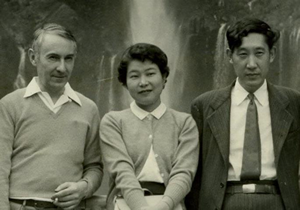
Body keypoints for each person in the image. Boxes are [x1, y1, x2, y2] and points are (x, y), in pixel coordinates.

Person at [185, 18, 300, 210]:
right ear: (230, 56)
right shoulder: (204, 106)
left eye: (259, 53)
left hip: (279, 201)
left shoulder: (294, 102)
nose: (252, 64)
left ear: (271, 54)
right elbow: (195, 173)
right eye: (243, 54)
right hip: (223, 201)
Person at [0, 23, 103, 210]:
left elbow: (95, 167)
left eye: (68, 59)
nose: (62, 68)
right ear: (33, 57)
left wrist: (83, 188)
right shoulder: (10, 104)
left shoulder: (89, 109)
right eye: (53, 58)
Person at [100, 43, 199, 210]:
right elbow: (122, 171)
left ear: (164, 77)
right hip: (125, 205)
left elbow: (184, 173)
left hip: (171, 206)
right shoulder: (113, 121)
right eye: (134, 76)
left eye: (150, 74)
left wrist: (165, 206)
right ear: (124, 83)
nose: (143, 82)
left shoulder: (184, 123)